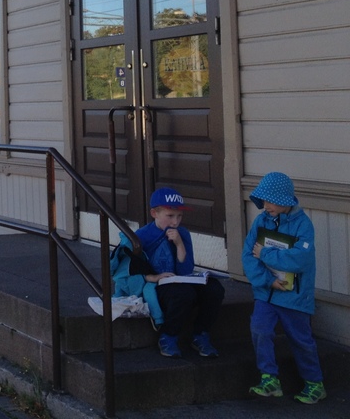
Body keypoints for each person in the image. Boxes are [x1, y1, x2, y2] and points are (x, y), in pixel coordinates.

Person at [242, 172, 326, 404]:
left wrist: (266, 254)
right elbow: (248, 255)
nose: (265, 205)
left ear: (284, 200)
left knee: (301, 339)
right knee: (260, 329)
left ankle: (315, 384)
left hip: (294, 297)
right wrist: (267, 281)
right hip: (266, 293)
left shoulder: (303, 225)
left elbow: (301, 259)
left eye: (270, 200)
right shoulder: (261, 221)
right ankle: (269, 379)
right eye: (263, 200)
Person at [120, 187, 225, 358]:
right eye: (170, 216)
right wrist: (153, 277)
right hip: (158, 284)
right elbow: (128, 269)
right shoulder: (141, 236)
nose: (175, 222)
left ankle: (201, 334)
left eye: (179, 216)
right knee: (183, 294)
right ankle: (168, 336)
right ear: (154, 213)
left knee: (214, 289)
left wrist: (179, 244)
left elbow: (185, 270)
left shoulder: (182, 233)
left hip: (179, 279)